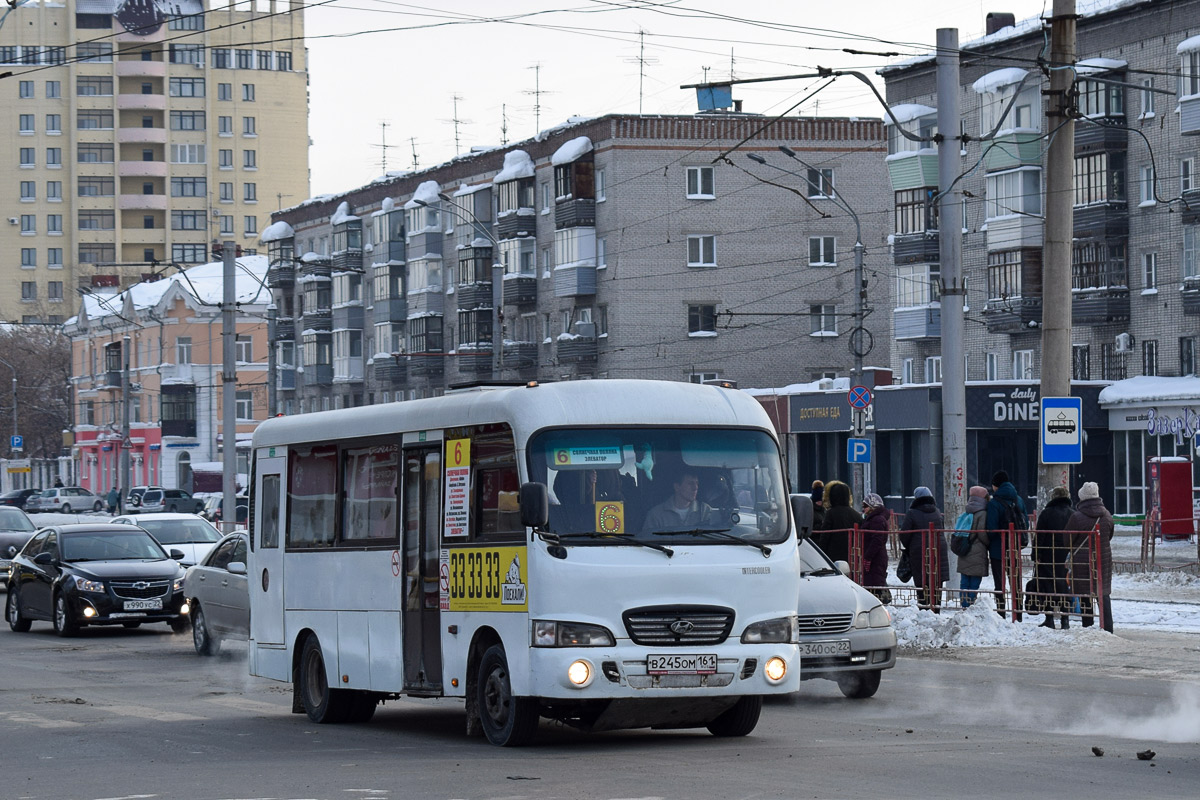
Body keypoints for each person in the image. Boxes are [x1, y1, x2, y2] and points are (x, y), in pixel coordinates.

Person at [1066, 481, 1115, 632]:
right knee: (1103, 593)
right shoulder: (1107, 515)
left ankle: (1087, 626)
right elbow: (1110, 536)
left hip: (1082, 562)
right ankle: (1108, 627)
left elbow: (1066, 540)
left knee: (1084, 593)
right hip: (1103, 559)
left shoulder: (1076, 517)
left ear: (1083, 497)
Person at [985, 470, 1027, 621]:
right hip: (1015, 547)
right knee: (1016, 581)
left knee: (999, 583)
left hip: (998, 549)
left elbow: (991, 528)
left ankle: (1001, 614)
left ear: (996, 486)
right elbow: (1025, 523)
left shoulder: (994, 503)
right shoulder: (1019, 500)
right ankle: (1018, 614)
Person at [899, 486, 947, 613]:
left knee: (922, 582)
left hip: (919, 553)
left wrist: (911, 546)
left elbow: (904, 534)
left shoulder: (912, 513)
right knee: (936, 581)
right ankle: (936, 610)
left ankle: (924, 610)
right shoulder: (936, 511)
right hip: (938, 552)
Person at [1033, 486, 1074, 629]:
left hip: (1047, 555)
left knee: (1047, 585)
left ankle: (1049, 618)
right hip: (1066, 556)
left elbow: (1039, 536)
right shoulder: (1072, 514)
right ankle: (1065, 619)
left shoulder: (1046, 513)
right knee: (1064, 585)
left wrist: (1036, 554)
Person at [642, 469, 715, 532]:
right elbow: (647, 541)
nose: (695, 488)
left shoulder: (706, 511)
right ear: (677, 487)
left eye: (697, 483)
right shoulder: (656, 515)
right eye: (690, 483)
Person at [955, 486, 991, 608]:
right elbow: (982, 533)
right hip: (978, 551)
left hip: (964, 550)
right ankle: (970, 606)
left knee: (964, 581)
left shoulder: (967, 511)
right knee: (975, 582)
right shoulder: (983, 513)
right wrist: (988, 543)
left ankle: (964, 606)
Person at [815, 480, 860, 565]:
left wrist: (821, 555)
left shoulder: (830, 513)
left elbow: (825, 537)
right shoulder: (856, 515)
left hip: (833, 557)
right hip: (851, 556)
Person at [860, 492, 891, 602]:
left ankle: (879, 604)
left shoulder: (877, 519)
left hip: (875, 558)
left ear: (873, 506)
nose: (863, 509)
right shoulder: (874, 518)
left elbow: (877, 540)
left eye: (865, 506)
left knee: (875, 583)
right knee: (873, 582)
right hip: (875, 557)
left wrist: (868, 557)